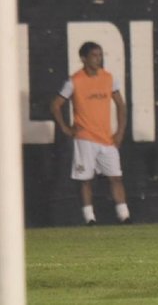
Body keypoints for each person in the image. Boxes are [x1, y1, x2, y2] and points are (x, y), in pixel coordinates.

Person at [50, 41, 131, 225]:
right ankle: (89, 218)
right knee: (85, 179)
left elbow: (121, 106)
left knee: (116, 177)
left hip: (106, 138)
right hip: (85, 137)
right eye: (94, 56)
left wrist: (119, 132)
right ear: (84, 58)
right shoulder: (74, 81)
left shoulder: (109, 78)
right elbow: (55, 105)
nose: (98, 59)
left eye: (100, 55)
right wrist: (64, 127)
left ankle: (124, 216)